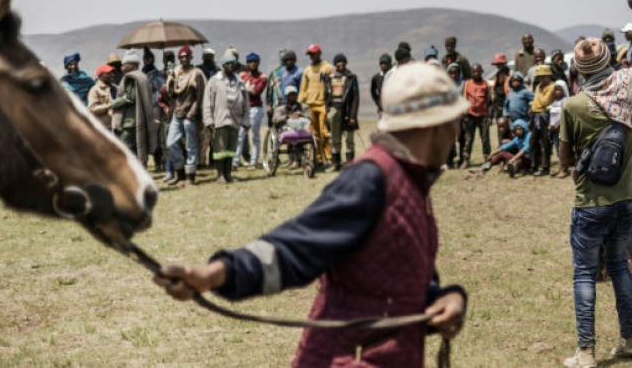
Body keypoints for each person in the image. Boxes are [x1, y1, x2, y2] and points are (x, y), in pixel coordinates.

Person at [154, 62, 469, 367]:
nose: (457, 131)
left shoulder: (412, 183)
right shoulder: (371, 180)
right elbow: (294, 248)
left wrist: (445, 297)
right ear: (435, 127)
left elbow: (397, 271)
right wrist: (215, 275)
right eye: (455, 120)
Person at [560, 17, 632, 368]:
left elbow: (564, 161)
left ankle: (586, 351)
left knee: (583, 273)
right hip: (627, 199)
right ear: (607, 61)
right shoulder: (627, 86)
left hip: (591, 202)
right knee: (621, 266)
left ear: (578, 69)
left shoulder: (573, 105)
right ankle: (630, 339)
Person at [204, 50, 250, 184]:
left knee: (231, 149)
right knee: (220, 149)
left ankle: (228, 174)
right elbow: (207, 102)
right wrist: (208, 120)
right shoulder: (214, 81)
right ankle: (220, 175)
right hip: (220, 120)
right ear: (223, 65)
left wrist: (246, 120)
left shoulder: (240, 82)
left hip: (235, 120)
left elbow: (246, 103)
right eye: (228, 64)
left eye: (233, 64)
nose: (230, 66)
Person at [111, 50, 160, 167]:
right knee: (138, 151)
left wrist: (113, 104)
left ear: (132, 65)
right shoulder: (143, 76)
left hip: (130, 122)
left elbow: (129, 98)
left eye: (124, 65)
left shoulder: (131, 78)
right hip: (137, 119)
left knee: (123, 149)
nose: (122, 67)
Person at [166, 45, 207, 186]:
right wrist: (170, 82)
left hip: (190, 115)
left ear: (191, 57)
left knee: (191, 146)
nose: (184, 59)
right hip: (177, 114)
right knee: (171, 143)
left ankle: (190, 176)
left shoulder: (197, 73)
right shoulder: (176, 72)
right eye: (181, 57)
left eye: (186, 56)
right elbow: (171, 95)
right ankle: (179, 173)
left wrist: (193, 112)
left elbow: (200, 96)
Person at [300, 44, 335, 168]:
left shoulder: (328, 68)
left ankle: (329, 159)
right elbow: (303, 88)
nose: (312, 56)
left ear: (319, 53)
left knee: (325, 133)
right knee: (315, 134)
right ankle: (318, 160)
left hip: (323, 105)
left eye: (314, 53)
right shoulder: (307, 70)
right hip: (310, 105)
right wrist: (301, 103)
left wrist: (331, 103)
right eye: (310, 54)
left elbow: (333, 87)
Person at [325, 53, 360, 171]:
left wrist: (353, 116)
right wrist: (327, 111)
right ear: (335, 64)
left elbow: (355, 98)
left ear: (345, 63)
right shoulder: (330, 78)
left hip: (348, 110)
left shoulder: (351, 77)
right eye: (338, 62)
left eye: (342, 62)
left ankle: (350, 164)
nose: (340, 64)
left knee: (349, 139)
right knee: (334, 138)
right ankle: (336, 164)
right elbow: (326, 96)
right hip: (334, 110)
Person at [234, 52, 268, 170]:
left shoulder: (262, 77)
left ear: (258, 63)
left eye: (255, 62)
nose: (253, 64)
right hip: (244, 108)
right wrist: (247, 89)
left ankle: (253, 162)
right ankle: (236, 162)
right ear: (247, 63)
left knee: (255, 136)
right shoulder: (243, 76)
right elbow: (238, 89)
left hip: (255, 108)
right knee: (240, 136)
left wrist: (245, 88)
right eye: (250, 62)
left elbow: (256, 92)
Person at [461, 63, 491, 168]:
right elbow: (463, 99)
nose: (476, 73)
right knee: (468, 139)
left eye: (478, 71)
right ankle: (466, 159)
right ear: (471, 72)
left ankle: (487, 158)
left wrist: (489, 116)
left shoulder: (485, 84)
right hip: (470, 116)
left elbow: (489, 101)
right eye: (474, 71)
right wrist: (464, 115)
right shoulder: (467, 84)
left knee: (485, 138)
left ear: (482, 72)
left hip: (483, 116)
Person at [528, 64, 555, 177]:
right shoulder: (539, 86)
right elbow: (535, 102)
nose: (541, 79)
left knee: (545, 142)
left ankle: (545, 167)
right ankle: (534, 165)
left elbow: (544, 102)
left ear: (548, 76)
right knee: (533, 141)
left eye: (543, 76)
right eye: (539, 77)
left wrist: (539, 94)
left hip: (545, 116)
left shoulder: (551, 87)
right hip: (536, 116)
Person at [445, 63, 466, 168]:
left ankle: (462, 159)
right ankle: (450, 160)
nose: (453, 75)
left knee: (461, 138)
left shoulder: (463, 84)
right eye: (451, 72)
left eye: (455, 72)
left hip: (461, 115)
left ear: (459, 72)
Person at [549, 80, 570, 178]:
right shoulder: (554, 102)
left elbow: (565, 115)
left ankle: (564, 169)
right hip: (554, 130)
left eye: (559, 89)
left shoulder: (566, 101)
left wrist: (558, 124)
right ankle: (559, 168)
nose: (557, 91)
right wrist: (551, 125)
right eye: (555, 89)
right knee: (557, 149)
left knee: (563, 149)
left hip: (562, 130)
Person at [489, 52, 511, 146]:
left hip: (507, 105)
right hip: (498, 106)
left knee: (508, 128)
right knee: (500, 128)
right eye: (497, 64)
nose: (498, 66)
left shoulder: (510, 74)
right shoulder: (497, 75)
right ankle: (501, 147)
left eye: (500, 64)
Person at [87, 63, 115, 129]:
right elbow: (92, 109)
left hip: (115, 125)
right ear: (100, 76)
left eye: (112, 73)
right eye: (108, 73)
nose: (112, 75)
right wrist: (110, 105)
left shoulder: (115, 88)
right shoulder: (95, 90)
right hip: (103, 127)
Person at [370, 53, 392, 118]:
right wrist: (378, 102)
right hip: (382, 109)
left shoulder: (394, 76)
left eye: (385, 63)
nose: (383, 65)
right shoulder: (377, 77)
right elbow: (373, 91)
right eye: (381, 64)